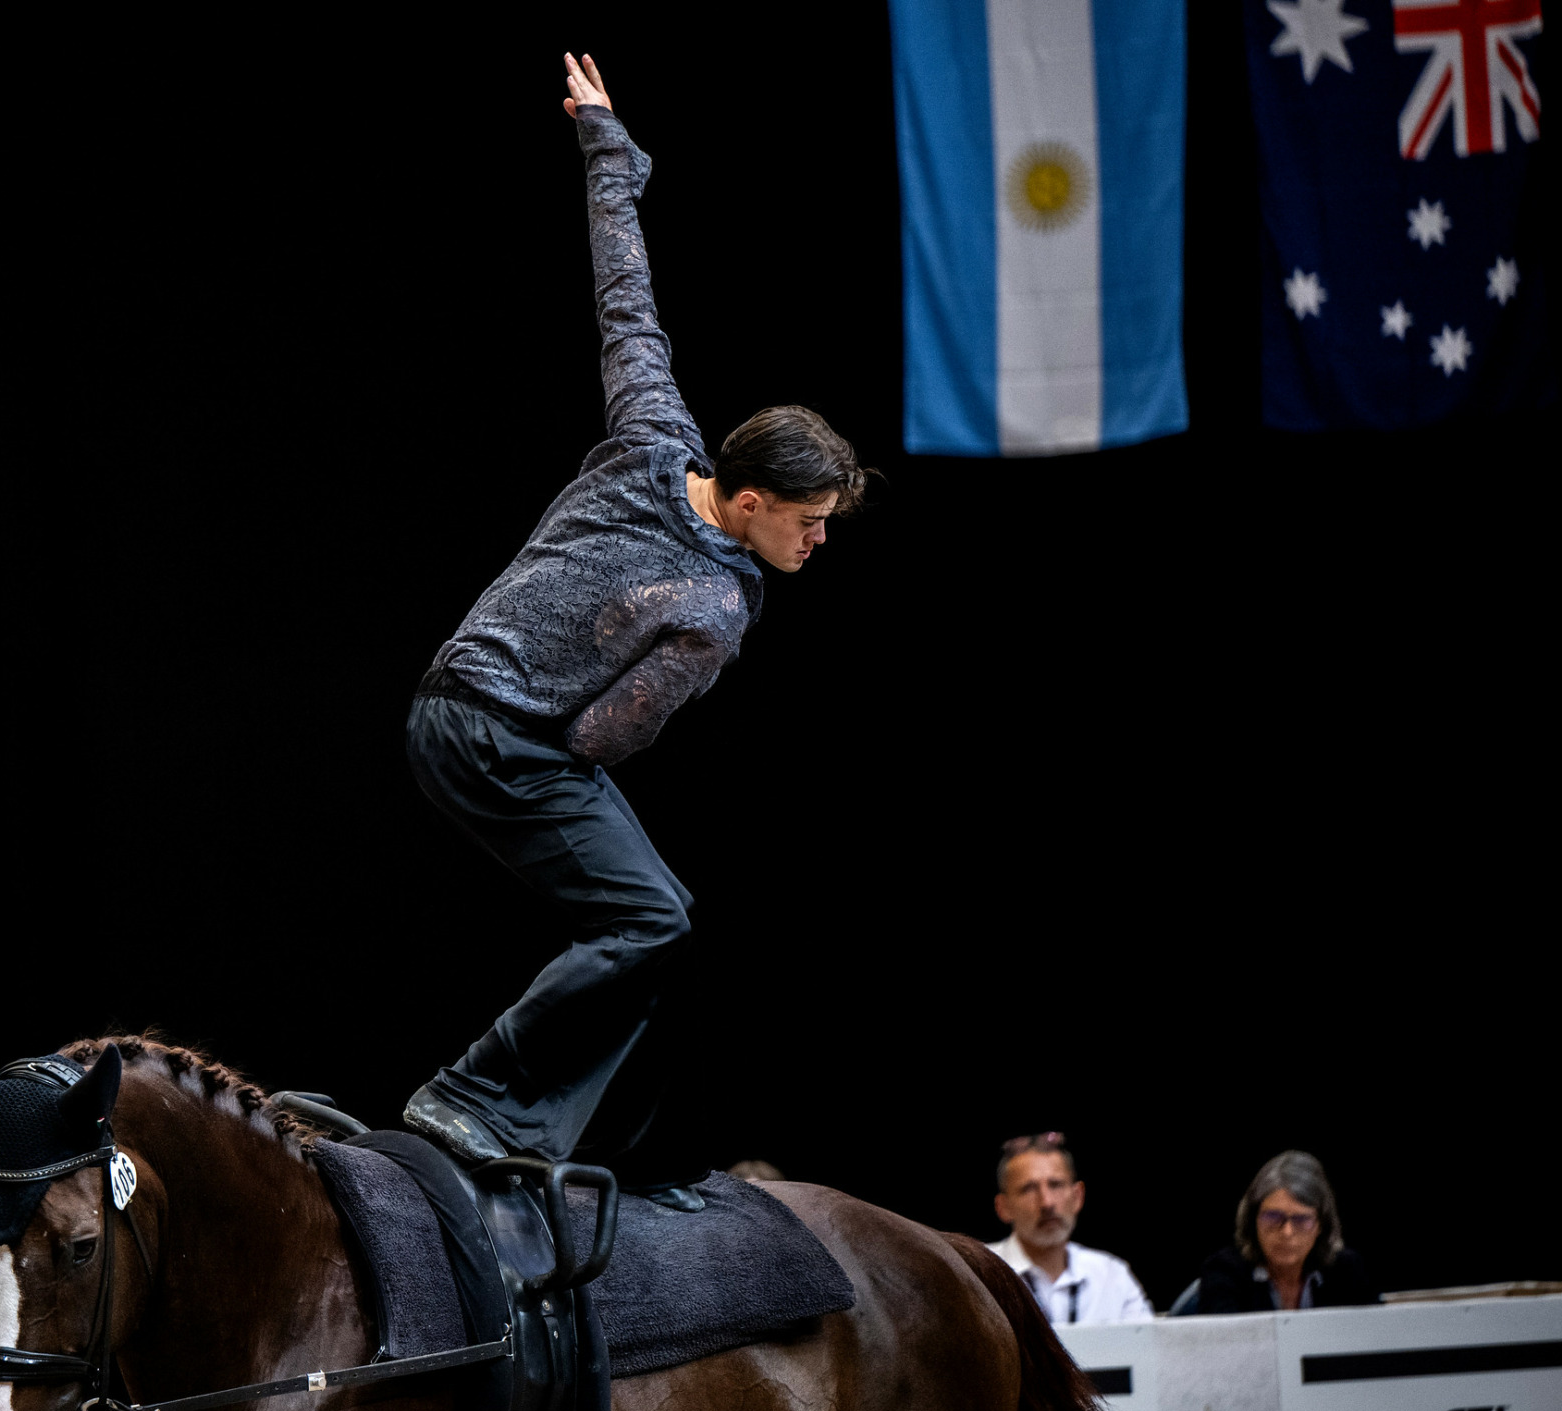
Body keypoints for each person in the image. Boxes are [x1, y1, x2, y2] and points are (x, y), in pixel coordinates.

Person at [401, 54, 874, 1210]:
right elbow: (606, 736)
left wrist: (606, 147)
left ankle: (516, 1117)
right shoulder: (716, 610)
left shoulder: (655, 435)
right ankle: (477, 1095)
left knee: (645, 929)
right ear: (752, 503)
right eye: (810, 525)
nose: (819, 546)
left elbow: (627, 299)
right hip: (506, 745)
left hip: (433, 711)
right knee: (656, 917)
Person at [989, 1132, 1153, 1324]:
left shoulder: (1112, 1276)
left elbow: (1147, 1351)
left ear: (1078, 1196)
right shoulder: (980, 1275)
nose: (1046, 1202)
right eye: (1029, 1189)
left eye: (1055, 1184)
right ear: (1003, 1207)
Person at [1188, 1150, 1378, 1312]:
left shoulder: (1348, 1270)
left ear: (1321, 1225)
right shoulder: (1224, 1271)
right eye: (1273, 1217)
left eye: (1301, 1220)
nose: (1287, 1232)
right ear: (1252, 1220)